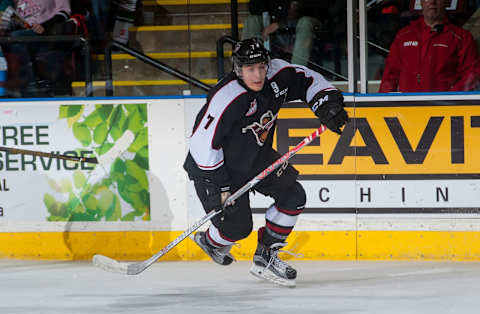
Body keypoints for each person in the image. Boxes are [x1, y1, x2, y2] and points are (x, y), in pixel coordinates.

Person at [183, 38, 349, 287]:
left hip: (255, 156)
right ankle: (212, 241)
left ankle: (266, 257)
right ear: (238, 69)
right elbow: (201, 144)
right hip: (216, 169)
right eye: (250, 69)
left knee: (293, 196)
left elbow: (309, 80)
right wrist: (222, 186)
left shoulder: (278, 75)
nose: (258, 74)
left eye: (261, 66)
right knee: (237, 229)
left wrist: (327, 104)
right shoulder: (227, 97)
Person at [379, 0, 479, 92]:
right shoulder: (404, 36)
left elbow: (471, 75)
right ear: (421, 2)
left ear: (447, 2)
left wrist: (449, 99)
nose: (432, 2)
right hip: (409, 108)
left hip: (446, 109)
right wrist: (383, 106)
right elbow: (390, 77)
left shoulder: (462, 37)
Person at [241, 0, 326, 66]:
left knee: (305, 22)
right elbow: (255, 8)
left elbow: (312, 10)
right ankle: (248, 67)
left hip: (306, 29)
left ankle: (297, 72)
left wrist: (281, 23)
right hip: (276, 34)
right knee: (252, 20)